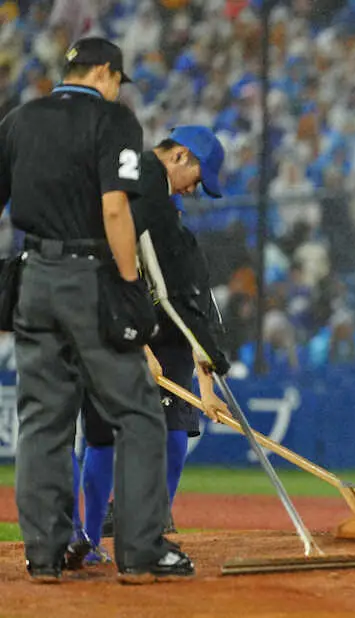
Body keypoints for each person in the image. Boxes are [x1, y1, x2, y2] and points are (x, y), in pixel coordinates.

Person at [2, 36, 192, 581]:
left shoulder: (19, 120)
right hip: (88, 276)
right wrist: (130, 284)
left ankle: (46, 553)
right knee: (137, 413)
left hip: (33, 277)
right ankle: (140, 550)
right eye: (116, 79)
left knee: (42, 420)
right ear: (105, 72)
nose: (116, 88)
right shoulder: (113, 120)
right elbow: (115, 209)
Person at [73, 126, 232, 565]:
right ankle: (99, 535)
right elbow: (132, 283)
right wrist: (140, 347)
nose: (194, 193)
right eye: (195, 180)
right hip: (119, 327)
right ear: (181, 157)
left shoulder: (169, 221)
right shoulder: (140, 199)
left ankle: (150, 525)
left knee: (170, 431)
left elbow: (196, 303)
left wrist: (206, 386)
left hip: (164, 338)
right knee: (107, 434)